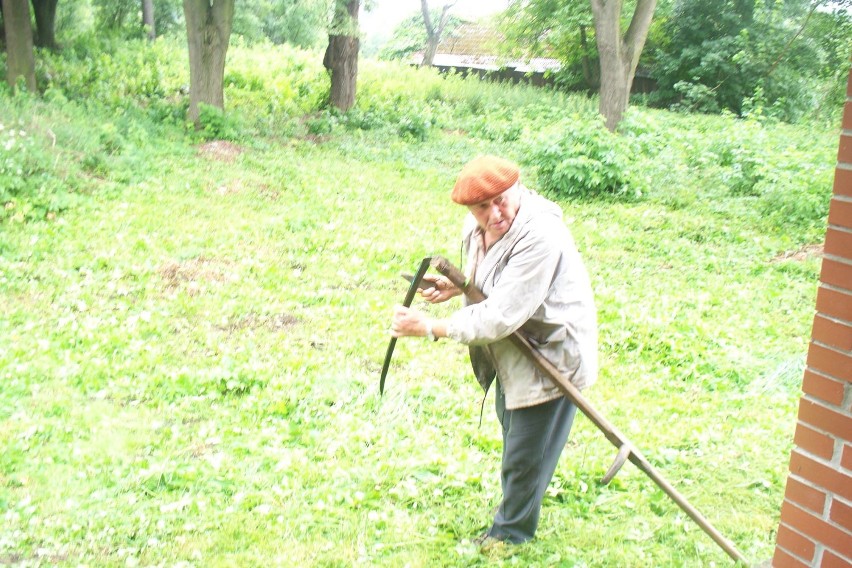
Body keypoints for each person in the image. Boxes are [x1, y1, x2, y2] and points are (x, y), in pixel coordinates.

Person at [390, 155, 598, 545]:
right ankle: (518, 509)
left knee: (525, 454)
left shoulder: (540, 236)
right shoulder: (477, 225)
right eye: (483, 206)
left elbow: (501, 315)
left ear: (518, 188)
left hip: (550, 353)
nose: (495, 213)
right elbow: (493, 283)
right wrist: (461, 286)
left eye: (502, 200)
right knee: (515, 431)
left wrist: (430, 328)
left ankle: (509, 535)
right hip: (512, 353)